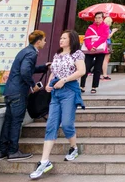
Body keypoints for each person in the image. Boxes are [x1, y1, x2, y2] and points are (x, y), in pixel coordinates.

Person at [30, 30, 86, 179]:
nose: (60, 40)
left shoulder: (77, 54)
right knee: (51, 125)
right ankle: (44, 161)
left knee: (67, 123)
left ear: (71, 39)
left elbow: (82, 71)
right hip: (55, 92)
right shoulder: (57, 54)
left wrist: (65, 80)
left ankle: (74, 148)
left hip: (69, 91)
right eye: (60, 38)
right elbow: (54, 72)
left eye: (64, 38)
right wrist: (49, 83)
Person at [0, 30, 50, 161]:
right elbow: (25, 71)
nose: (45, 42)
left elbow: (27, 68)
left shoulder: (25, 51)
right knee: (16, 122)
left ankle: (2, 151)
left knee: (8, 121)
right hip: (19, 92)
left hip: (10, 91)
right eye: (44, 40)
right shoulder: (32, 53)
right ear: (38, 42)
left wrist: (43, 67)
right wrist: (33, 85)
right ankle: (13, 151)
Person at [80, 11, 109, 94]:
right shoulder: (90, 27)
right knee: (86, 67)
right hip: (90, 50)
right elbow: (86, 38)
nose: (97, 19)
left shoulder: (105, 27)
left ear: (103, 18)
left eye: (99, 18)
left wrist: (95, 46)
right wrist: (90, 47)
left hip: (100, 49)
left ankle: (94, 87)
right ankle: (82, 86)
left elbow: (104, 37)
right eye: (96, 18)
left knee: (97, 68)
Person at [101, 16, 118, 81]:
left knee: (105, 60)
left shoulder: (103, 27)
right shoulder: (106, 28)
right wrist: (113, 31)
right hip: (107, 44)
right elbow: (108, 37)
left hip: (105, 44)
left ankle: (104, 74)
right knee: (106, 60)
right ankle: (104, 74)